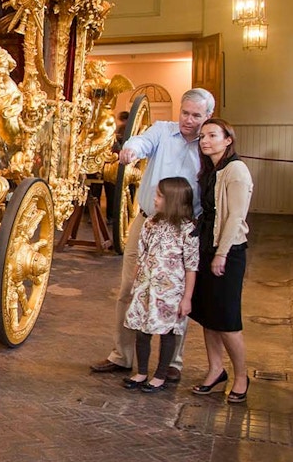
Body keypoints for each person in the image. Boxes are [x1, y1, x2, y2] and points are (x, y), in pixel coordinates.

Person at [90, 88, 214, 380]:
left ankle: (172, 363)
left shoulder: (207, 144)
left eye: (196, 115)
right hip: (147, 223)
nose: (188, 120)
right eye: (185, 112)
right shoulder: (162, 130)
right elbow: (141, 141)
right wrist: (131, 150)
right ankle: (122, 356)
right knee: (128, 289)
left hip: (185, 229)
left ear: (207, 116)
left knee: (177, 295)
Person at [189, 119, 253, 403]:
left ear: (228, 139)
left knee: (227, 319)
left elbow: (235, 217)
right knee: (209, 315)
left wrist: (221, 254)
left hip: (227, 251)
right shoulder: (211, 170)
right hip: (205, 247)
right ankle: (216, 369)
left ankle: (241, 376)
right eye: (203, 136)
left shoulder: (235, 170)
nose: (205, 140)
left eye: (213, 135)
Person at [122, 177, 198, 392]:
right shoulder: (151, 223)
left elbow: (192, 267)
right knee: (142, 331)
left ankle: (160, 375)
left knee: (167, 334)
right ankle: (142, 371)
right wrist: (133, 286)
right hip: (146, 287)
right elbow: (141, 256)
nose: (154, 200)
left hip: (170, 292)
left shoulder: (188, 230)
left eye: (159, 196)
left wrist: (187, 298)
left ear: (172, 200)